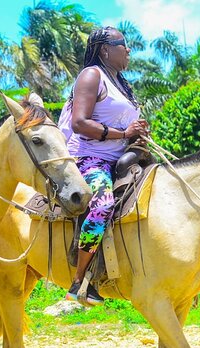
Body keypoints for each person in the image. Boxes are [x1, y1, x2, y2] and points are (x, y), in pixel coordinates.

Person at [60, 26, 151, 306]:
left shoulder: (121, 82)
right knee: (102, 206)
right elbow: (80, 123)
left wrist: (136, 133)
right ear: (104, 50)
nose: (128, 50)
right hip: (90, 158)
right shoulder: (91, 76)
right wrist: (124, 134)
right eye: (122, 44)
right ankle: (80, 281)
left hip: (123, 158)